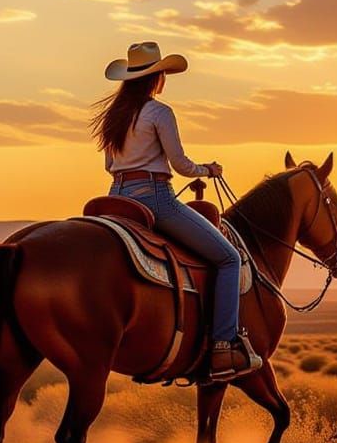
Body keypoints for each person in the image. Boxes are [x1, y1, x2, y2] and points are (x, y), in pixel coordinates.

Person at [93, 41, 262, 382]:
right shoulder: (158, 112)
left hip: (116, 196)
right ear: (156, 78)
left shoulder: (114, 116)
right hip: (155, 198)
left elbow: (110, 164)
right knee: (228, 258)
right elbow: (181, 164)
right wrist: (207, 170)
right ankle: (222, 344)